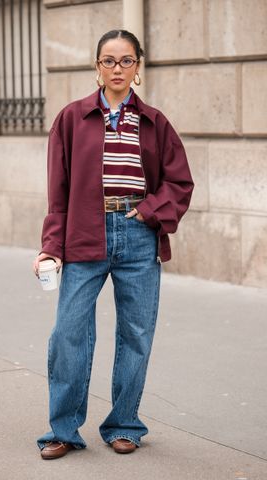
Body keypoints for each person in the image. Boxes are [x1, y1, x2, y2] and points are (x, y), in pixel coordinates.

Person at [33, 29, 194, 459]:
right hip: (85, 231)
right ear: (96, 66)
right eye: (109, 60)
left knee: (136, 334)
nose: (117, 69)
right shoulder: (72, 118)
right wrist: (51, 245)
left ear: (138, 66)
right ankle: (64, 429)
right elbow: (58, 189)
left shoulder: (154, 122)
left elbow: (179, 182)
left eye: (126, 61)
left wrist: (149, 211)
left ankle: (125, 424)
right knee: (69, 332)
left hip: (138, 236)